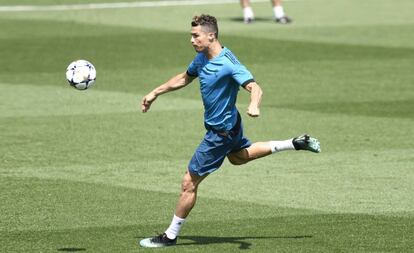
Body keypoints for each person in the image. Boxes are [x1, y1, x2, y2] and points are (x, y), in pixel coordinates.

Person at [139, 14, 319, 248]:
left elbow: (255, 87)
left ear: (211, 35)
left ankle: (170, 236)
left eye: (196, 36)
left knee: (188, 183)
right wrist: (155, 92)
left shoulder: (228, 64)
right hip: (231, 125)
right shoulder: (203, 58)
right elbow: (185, 78)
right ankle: (292, 143)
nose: (191, 40)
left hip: (219, 134)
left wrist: (253, 105)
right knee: (238, 157)